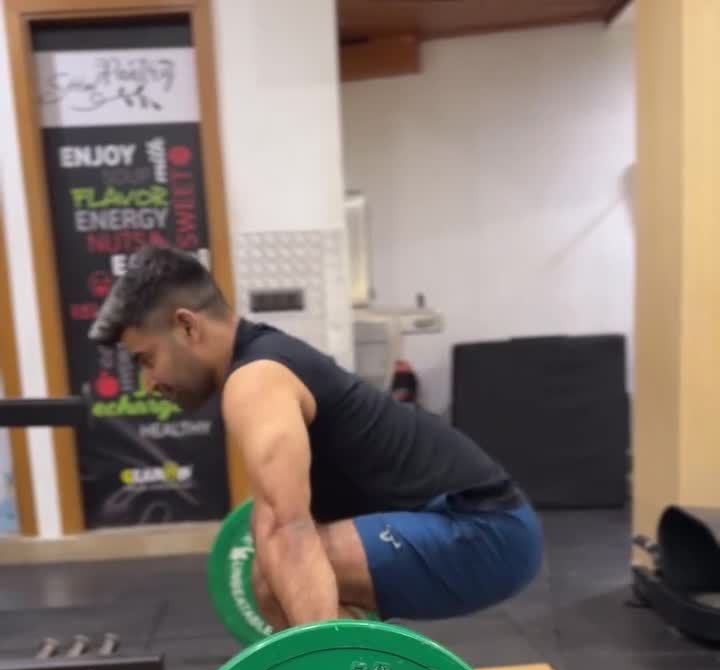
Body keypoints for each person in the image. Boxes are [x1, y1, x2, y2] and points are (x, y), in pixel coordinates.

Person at [89, 246, 542, 630]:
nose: (148, 383)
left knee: (276, 578)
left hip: (483, 529)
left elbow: (287, 528)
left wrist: (319, 668)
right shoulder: (262, 359)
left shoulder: (256, 380)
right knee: (278, 574)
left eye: (147, 359)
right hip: (475, 525)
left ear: (188, 327)